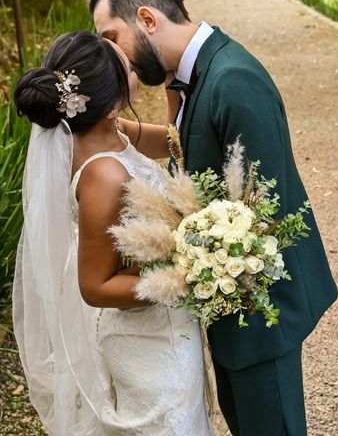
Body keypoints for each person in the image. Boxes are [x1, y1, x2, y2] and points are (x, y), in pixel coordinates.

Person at [90, 0, 338, 435]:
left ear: (146, 19)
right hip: (228, 308)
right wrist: (99, 128)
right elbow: (183, 146)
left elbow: (264, 211)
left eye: (112, 37)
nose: (112, 56)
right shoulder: (186, 79)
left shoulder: (233, 80)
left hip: (263, 314)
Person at [13, 31, 213, 436]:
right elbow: (95, 286)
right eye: (130, 67)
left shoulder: (111, 130)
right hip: (144, 334)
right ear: (112, 103)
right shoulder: (103, 174)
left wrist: (174, 78)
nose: (135, 67)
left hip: (161, 320)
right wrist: (192, 275)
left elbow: (173, 142)